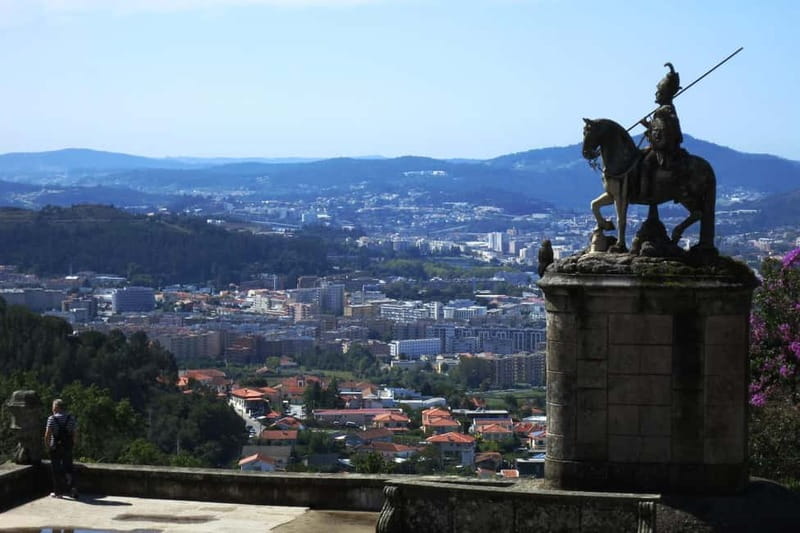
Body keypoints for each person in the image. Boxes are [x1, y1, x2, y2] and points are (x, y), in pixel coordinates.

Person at [639, 63, 687, 201]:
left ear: (664, 95)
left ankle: (646, 192)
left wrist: (648, 130)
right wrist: (648, 125)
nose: (656, 94)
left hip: (665, 150)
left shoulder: (663, 111)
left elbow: (661, 134)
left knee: (646, 163)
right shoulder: (666, 109)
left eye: (659, 93)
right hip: (666, 146)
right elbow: (658, 130)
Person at [44, 398, 78, 499]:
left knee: (56, 470)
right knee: (69, 468)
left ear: (56, 407)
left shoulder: (51, 419)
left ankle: (58, 492)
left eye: (53, 407)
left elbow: (47, 435)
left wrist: (48, 446)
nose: (52, 409)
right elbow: (75, 433)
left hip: (55, 447)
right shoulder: (71, 418)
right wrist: (73, 444)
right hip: (67, 447)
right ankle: (73, 489)